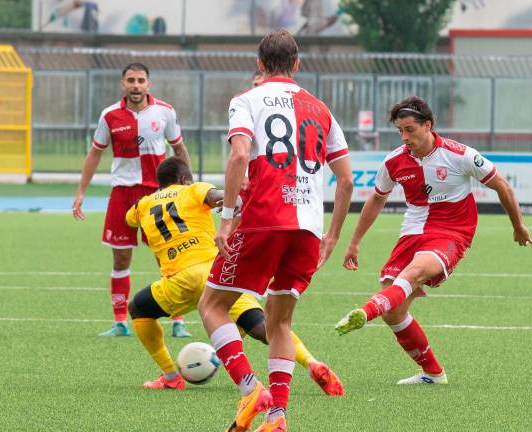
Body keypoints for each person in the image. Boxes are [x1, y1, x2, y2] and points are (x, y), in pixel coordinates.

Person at [198, 30, 354, 432]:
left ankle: (251, 388)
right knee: (279, 322)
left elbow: (239, 154)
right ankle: (278, 416)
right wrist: (333, 235)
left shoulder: (245, 101)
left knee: (212, 306)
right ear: (297, 64)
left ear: (260, 64)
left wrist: (228, 216)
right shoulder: (321, 109)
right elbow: (347, 181)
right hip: (308, 227)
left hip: (264, 217)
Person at [335, 96, 532, 385]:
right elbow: (377, 199)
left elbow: (501, 185)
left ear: (428, 125)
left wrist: (518, 226)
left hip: (452, 230)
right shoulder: (394, 161)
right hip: (412, 231)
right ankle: (433, 373)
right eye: (400, 131)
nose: (405, 137)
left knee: (412, 273)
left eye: (410, 130)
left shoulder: (460, 155)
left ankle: (365, 312)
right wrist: (354, 242)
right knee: (394, 312)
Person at [127, 157, 345, 397]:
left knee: (138, 308)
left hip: (177, 281)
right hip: (213, 274)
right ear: (183, 180)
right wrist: (233, 199)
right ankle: (312, 363)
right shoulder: (193, 189)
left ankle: (170, 377)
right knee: (263, 325)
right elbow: (215, 195)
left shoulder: (142, 206)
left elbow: (130, 218)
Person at [72, 62, 192, 338]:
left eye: (140, 80)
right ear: (122, 84)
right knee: (120, 258)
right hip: (123, 194)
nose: (135, 85)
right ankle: (120, 322)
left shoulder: (165, 112)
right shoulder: (110, 116)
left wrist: (188, 185)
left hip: (157, 194)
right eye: (130, 80)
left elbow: (178, 148)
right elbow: (94, 154)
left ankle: (178, 320)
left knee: (170, 256)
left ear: (148, 84)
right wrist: (81, 191)